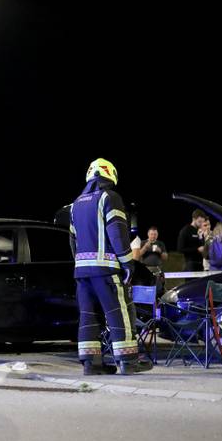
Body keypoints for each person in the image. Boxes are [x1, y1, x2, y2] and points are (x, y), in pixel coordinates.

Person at [69, 158, 147, 376]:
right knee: (118, 314)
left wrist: (81, 264)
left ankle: (90, 365)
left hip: (82, 273)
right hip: (105, 271)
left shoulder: (76, 204)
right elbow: (117, 233)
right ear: (110, 175)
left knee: (88, 317)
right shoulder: (110, 197)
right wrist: (127, 262)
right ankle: (128, 362)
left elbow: (72, 241)